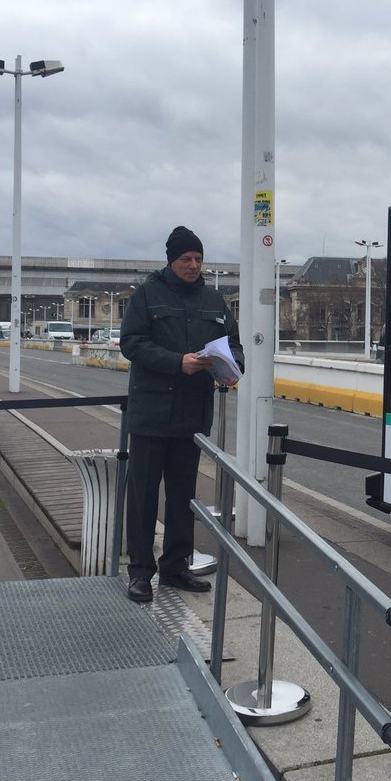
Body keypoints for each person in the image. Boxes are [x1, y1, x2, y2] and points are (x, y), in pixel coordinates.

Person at [119, 226, 244, 604]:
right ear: (171, 260)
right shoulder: (146, 295)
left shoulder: (214, 300)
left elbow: (234, 345)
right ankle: (140, 572)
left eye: (198, 259)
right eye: (186, 259)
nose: (193, 265)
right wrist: (178, 362)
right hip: (151, 414)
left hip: (191, 415)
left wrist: (232, 367)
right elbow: (132, 343)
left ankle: (176, 566)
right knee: (143, 497)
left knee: (182, 496)